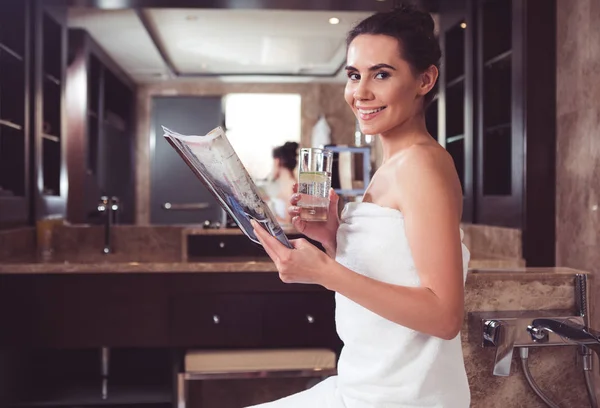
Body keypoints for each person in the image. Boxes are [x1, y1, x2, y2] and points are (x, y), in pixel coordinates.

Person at [248, 4, 470, 408]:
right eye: (354, 75)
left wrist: (325, 272)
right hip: (362, 388)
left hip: (402, 399)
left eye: (381, 74)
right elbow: (394, 273)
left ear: (425, 79)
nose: (360, 92)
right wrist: (333, 240)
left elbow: (444, 316)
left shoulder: (421, 164)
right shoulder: (393, 165)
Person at [265, 141, 299, 224]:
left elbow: (289, 223)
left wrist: (268, 216)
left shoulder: (291, 187)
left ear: (277, 161)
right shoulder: (286, 185)